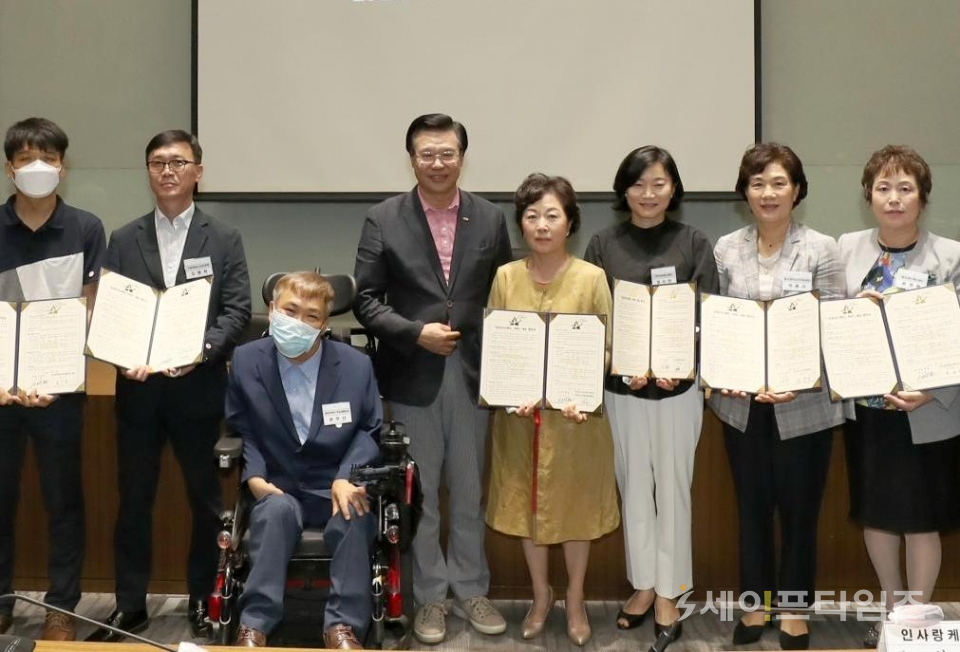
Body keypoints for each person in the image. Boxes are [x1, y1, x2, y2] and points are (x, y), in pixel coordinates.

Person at [353, 113, 513, 644]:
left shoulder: (489, 218)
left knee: (468, 493)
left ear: (462, 157)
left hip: (472, 374)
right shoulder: (383, 218)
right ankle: (430, 599)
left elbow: (505, 294)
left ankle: (470, 588)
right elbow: (366, 300)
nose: (438, 163)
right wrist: (414, 333)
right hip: (412, 375)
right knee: (418, 498)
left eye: (448, 153)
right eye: (427, 154)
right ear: (412, 159)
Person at [87, 130, 251, 642]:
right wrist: (122, 356)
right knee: (133, 501)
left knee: (205, 502)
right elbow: (111, 312)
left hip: (197, 389)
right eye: (158, 162)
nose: (168, 171)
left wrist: (199, 351)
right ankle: (130, 606)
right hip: (138, 392)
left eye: (178, 162)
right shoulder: (124, 237)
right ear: (148, 172)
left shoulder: (223, 238)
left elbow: (237, 310)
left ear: (198, 172)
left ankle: (203, 600)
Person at [709, 143, 843, 650]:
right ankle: (754, 604)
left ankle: (793, 608)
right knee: (752, 507)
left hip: (804, 403)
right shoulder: (726, 249)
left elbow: (831, 326)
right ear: (745, 192)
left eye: (779, 183)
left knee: (800, 509)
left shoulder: (821, 249)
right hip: (740, 402)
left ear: (797, 190)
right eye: (758, 183)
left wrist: (802, 379)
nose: (768, 193)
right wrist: (720, 373)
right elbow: (717, 324)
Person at [583, 146, 718, 647]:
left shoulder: (694, 242)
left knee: (674, 488)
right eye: (638, 184)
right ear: (624, 190)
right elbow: (594, 317)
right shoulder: (602, 244)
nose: (648, 193)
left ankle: (670, 591)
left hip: (680, 390)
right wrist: (622, 364)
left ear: (673, 188)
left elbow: (709, 314)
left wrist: (677, 365)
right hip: (623, 389)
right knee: (634, 485)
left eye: (659, 184)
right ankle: (643, 585)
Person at [485, 173, 620, 647]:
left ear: (570, 223)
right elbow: (498, 348)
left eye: (552, 215)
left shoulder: (591, 277)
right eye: (531, 215)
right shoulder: (505, 277)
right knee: (527, 506)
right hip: (519, 420)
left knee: (576, 507)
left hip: (576, 421)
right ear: (520, 223)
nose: (541, 225)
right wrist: (508, 391)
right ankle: (541, 596)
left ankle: (576, 598)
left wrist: (583, 390)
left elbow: (607, 348)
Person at [838, 145, 960, 648]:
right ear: (868, 196)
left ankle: (915, 621)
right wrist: (853, 311)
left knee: (920, 518)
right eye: (883, 188)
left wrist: (931, 392)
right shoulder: (846, 249)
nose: (893, 198)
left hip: (927, 412)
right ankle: (891, 613)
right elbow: (829, 322)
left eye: (905, 188)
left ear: (922, 198)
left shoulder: (951, 256)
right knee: (878, 514)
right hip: (867, 411)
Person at [225, 272, 380, 649]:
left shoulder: (356, 365)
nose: (298, 322)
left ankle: (342, 627)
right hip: (278, 484)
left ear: (324, 325)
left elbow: (369, 429)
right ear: (271, 310)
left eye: (311, 316)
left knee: (355, 513)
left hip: (335, 485)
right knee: (274, 514)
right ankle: (254, 625)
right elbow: (242, 427)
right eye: (289, 310)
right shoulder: (246, 361)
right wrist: (254, 476)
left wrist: (347, 476)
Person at [0, 117, 106, 641]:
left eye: (48, 158)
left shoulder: (86, 228)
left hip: (60, 392)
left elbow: (90, 309)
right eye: (25, 159)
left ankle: (61, 605)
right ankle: (2, 600)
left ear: (63, 167)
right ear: (9, 168)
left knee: (63, 501)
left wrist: (58, 377)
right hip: (0, 392)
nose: (37, 167)